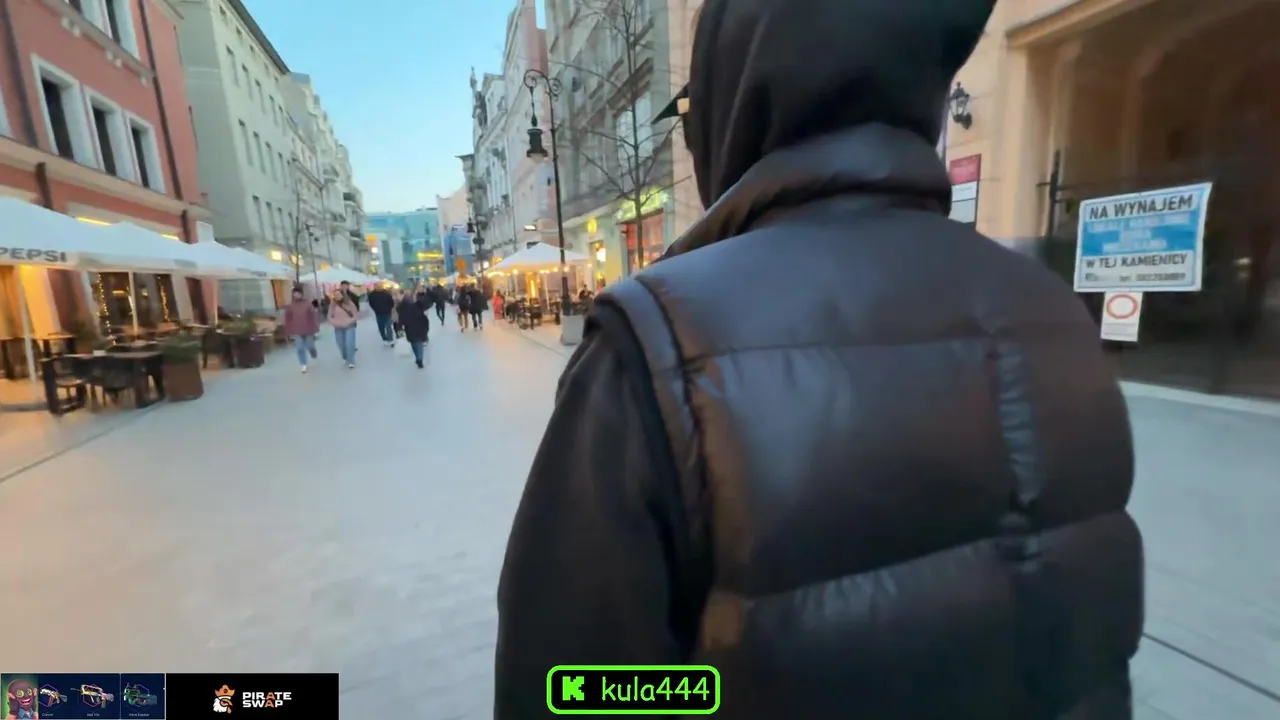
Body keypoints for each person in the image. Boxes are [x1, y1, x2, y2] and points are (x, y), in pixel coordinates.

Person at [494, 0, 1143, 718]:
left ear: (736, 98)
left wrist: (723, 692)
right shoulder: (1052, 309)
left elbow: (578, 687)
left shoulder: (655, 340)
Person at [282, 286, 320, 373]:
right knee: (299, 348)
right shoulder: (291, 305)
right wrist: (287, 328)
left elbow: (313, 315)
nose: (296, 295)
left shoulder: (307, 303)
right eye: (294, 293)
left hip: (308, 328)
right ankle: (303, 364)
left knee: (310, 345)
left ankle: (313, 353)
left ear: (301, 294)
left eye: (298, 293)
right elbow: (287, 317)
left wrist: (316, 326)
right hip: (297, 329)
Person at [396, 286, 432, 369]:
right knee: (418, 343)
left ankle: (418, 358)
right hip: (420, 325)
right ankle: (419, 359)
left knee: (414, 343)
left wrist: (399, 328)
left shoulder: (402, 306)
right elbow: (427, 306)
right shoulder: (418, 303)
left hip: (410, 327)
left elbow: (401, 318)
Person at [326, 287, 358, 368]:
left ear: (342, 295)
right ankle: (345, 357)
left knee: (349, 343)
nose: (337, 296)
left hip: (349, 326)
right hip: (338, 327)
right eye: (335, 295)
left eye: (338, 294)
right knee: (341, 344)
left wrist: (349, 321)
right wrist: (335, 323)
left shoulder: (349, 303)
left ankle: (351, 360)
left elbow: (355, 315)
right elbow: (329, 316)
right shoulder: (332, 305)